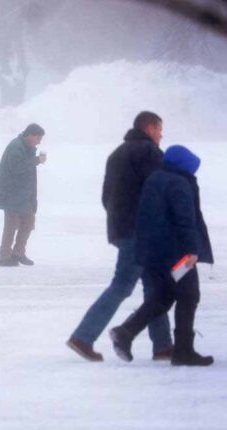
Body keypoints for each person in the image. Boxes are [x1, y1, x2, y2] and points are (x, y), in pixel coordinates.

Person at [66, 112, 172, 362]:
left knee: (155, 287)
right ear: (149, 128)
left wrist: (120, 222)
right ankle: (83, 337)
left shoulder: (117, 153)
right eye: (159, 129)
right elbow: (158, 190)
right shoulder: (149, 152)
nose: (161, 135)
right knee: (123, 284)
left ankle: (163, 346)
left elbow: (107, 196)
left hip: (123, 228)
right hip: (143, 231)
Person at [109, 145, 213, 366]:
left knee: (163, 297)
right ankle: (183, 351)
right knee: (188, 296)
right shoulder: (179, 183)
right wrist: (192, 251)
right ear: (184, 165)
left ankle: (125, 332)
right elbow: (185, 221)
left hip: (153, 253)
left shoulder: (155, 179)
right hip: (177, 254)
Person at [0, 123, 46, 267]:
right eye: (38, 138)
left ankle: (18, 253)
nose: (39, 142)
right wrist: (37, 160)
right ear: (30, 135)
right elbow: (17, 168)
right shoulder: (16, 147)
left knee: (28, 222)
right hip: (11, 194)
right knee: (11, 225)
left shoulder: (27, 147)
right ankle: (4, 257)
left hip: (22, 195)